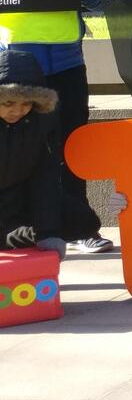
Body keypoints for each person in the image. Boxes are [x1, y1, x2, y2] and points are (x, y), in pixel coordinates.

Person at [5, 0, 108, 253]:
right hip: (15, 66)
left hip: (66, 61)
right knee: (17, 150)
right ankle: (18, 228)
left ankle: (79, 227)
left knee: (72, 145)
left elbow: (101, 2)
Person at [0, 47, 67, 263]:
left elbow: (45, 178)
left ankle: (15, 236)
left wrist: (48, 233)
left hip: (18, 202)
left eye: (26, 103)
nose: (17, 111)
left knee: (80, 220)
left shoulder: (42, 123)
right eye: (8, 103)